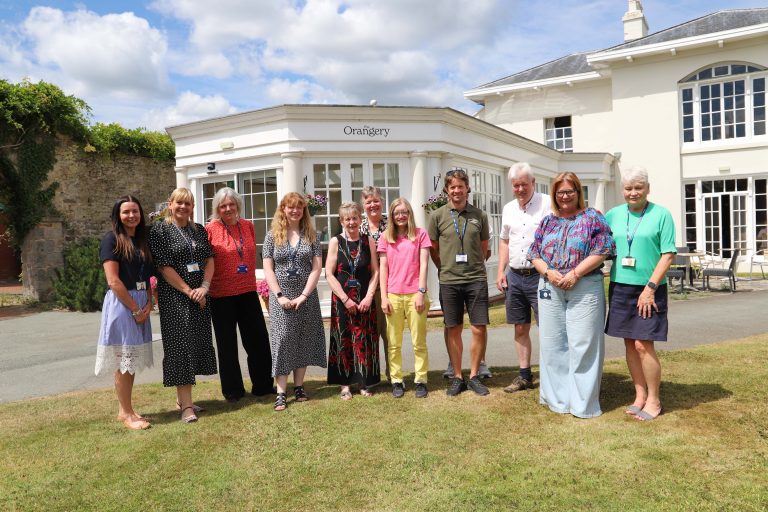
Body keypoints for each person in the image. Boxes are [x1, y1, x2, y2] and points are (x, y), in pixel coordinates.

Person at [529, 172, 615, 418]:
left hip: (585, 285)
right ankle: (558, 401)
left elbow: (604, 249)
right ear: (554, 195)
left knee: (583, 345)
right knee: (552, 344)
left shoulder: (592, 217)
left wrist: (575, 273)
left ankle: (582, 405)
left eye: (569, 191)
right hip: (550, 286)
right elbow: (534, 253)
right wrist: (549, 272)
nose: (565, 196)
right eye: (560, 192)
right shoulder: (548, 221)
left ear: (578, 192)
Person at [605, 167, 675, 421]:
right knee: (629, 344)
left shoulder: (661, 214)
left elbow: (668, 254)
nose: (633, 192)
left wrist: (650, 288)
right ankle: (639, 395)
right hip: (620, 286)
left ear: (648, 189)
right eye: (628, 188)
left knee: (643, 344)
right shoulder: (613, 215)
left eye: (638, 187)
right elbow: (599, 244)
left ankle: (654, 399)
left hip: (650, 288)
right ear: (622, 190)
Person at [149, 187, 217, 423]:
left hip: (199, 297)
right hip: (175, 299)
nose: (183, 207)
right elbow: (164, 267)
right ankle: (186, 407)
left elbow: (209, 259)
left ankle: (183, 399)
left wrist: (204, 288)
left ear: (192, 207)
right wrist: (189, 291)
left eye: (187, 203)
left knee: (194, 345)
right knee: (181, 349)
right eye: (179, 202)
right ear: (170, 204)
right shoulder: (160, 230)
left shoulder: (198, 230)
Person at [205, 187, 273, 402]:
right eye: (223, 206)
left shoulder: (248, 226)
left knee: (258, 340)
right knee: (227, 345)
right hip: (221, 295)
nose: (228, 209)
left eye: (231, 204)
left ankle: (263, 385)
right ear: (217, 208)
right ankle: (233, 390)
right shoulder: (210, 229)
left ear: (238, 205)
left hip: (248, 292)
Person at [428, 169, 491, 396]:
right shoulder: (437, 216)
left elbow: (484, 248)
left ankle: (473, 375)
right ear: (447, 190)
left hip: (476, 279)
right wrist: (445, 267)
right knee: (453, 328)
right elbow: (433, 249)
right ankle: (457, 376)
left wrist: (472, 265)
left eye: (460, 186)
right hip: (449, 279)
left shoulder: (479, 215)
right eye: (452, 187)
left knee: (478, 327)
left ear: (467, 188)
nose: (456, 190)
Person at [262, 192, 326, 411]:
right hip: (280, 297)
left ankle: (299, 386)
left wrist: (304, 295)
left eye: (299, 207)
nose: (295, 210)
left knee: (303, 339)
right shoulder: (272, 235)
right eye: (291, 207)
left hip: (306, 297)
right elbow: (268, 268)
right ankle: (281, 391)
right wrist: (280, 296)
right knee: (282, 340)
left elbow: (316, 267)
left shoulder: (311, 235)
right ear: (283, 209)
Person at [95, 196, 154, 430]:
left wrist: (149, 302)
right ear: (118, 215)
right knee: (124, 359)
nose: (131, 216)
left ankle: (125, 410)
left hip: (140, 302)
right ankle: (127, 414)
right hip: (123, 304)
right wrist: (135, 308)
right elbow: (113, 281)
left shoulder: (142, 240)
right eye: (126, 212)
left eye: (135, 211)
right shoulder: (111, 240)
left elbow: (147, 276)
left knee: (131, 359)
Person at [496, 162, 551, 393]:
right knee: (520, 327)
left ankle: (552, 375)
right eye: (516, 185)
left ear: (533, 182)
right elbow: (504, 241)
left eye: (524, 184)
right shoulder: (509, 208)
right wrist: (500, 271)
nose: (520, 189)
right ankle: (525, 375)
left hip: (540, 277)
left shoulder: (547, 204)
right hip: (515, 277)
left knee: (548, 327)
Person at [326, 202, 380, 399]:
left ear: (360, 219)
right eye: (347, 219)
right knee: (344, 340)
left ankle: (364, 382)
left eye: (354, 218)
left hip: (365, 300)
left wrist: (369, 297)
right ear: (341, 221)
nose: (351, 222)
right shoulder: (336, 242)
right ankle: (345, 385)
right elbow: (329, 274)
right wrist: (345, 299)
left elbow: (375, 272)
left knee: (365, 340)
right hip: (342, 301)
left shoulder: (368, 241)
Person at [378, 198, 432, 398]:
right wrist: (384, 297)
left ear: (409, 213)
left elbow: (424, 265)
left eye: (404, 212)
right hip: (393, 295)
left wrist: (421, 292)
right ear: (392, 216)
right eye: (396, 213)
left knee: (419, 342)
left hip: (415, 295)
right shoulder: (385, 237)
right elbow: (383, 269)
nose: (400, 216)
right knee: (394, 343)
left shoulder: (420, 234)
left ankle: (421, 380)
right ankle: (397, 380)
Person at [360, 186, 390, 380]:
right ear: (363, 205)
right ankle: (370, 376)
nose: (373, 205)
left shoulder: (392, 224)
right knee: (369, 334)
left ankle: (392, 375)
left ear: (382, 202)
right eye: (368, 202)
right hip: (367, 288)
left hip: (390, 286)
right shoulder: (358, 227)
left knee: (389, 334)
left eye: (376, 200)